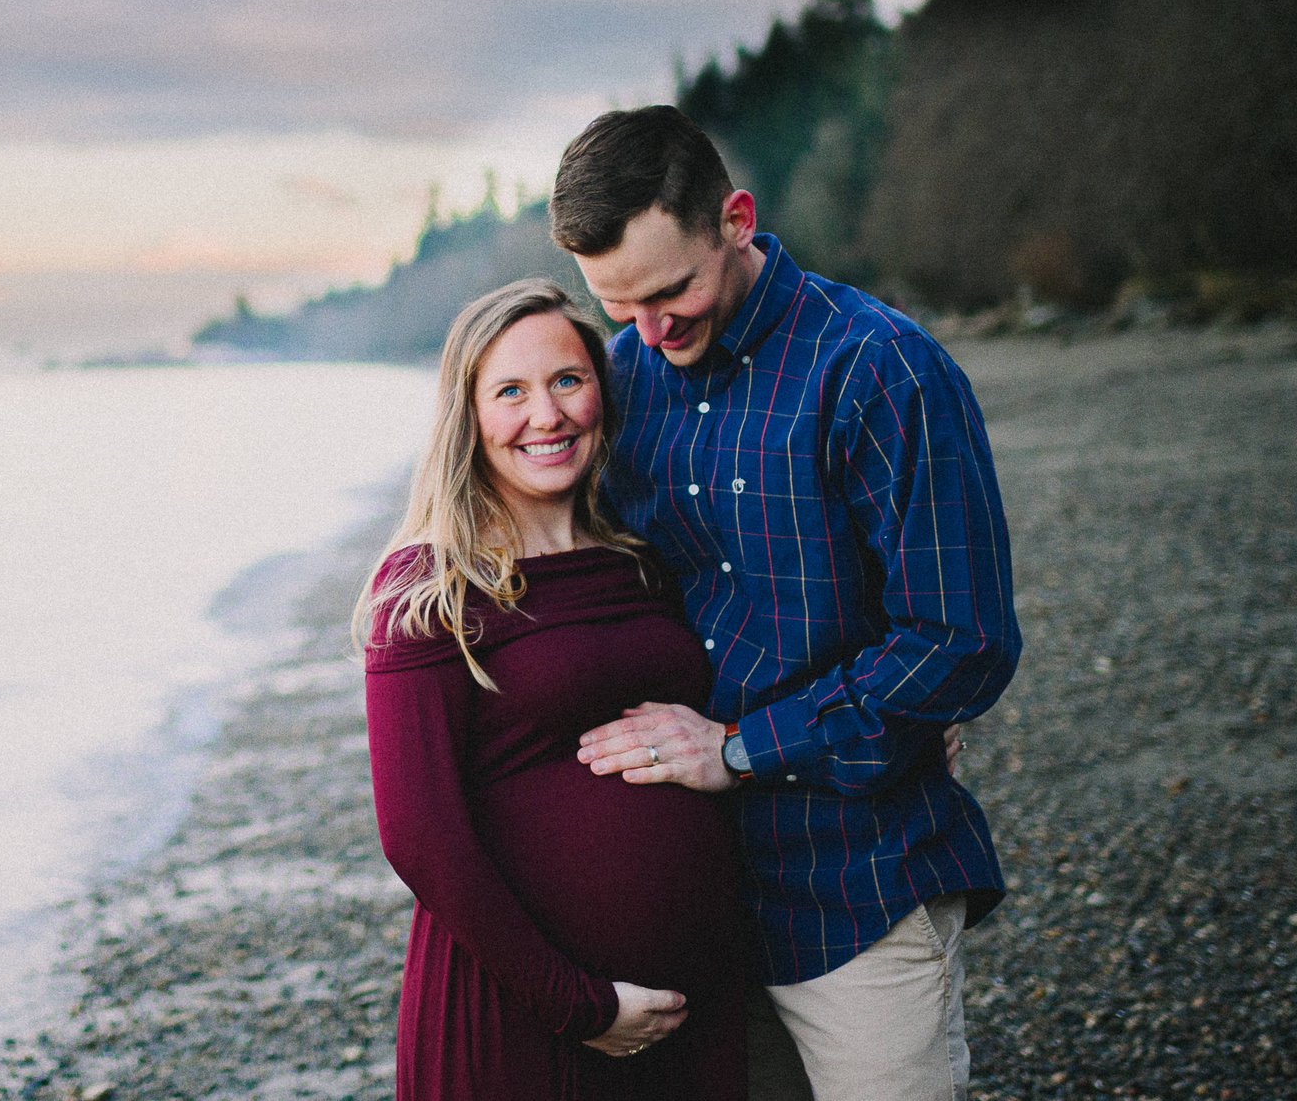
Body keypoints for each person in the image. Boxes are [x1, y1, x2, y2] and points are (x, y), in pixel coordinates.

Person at [549, 105, 1020, 1101]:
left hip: (857, 878)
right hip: (690, 895)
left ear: (735, 218)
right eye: (617, 305)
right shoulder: (625, 379)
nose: (649, 331)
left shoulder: (878, 367)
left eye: (670, 290)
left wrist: (738, 749)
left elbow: (961, 641)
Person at [358, 277, 749, 1100]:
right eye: (511, 391)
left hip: (694, 1008)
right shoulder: (429, 588)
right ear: (468, 416)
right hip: (524, 1019)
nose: (548, 414)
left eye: (568, 380)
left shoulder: (638, 559)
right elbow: (419, 834)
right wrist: (579, 1004)